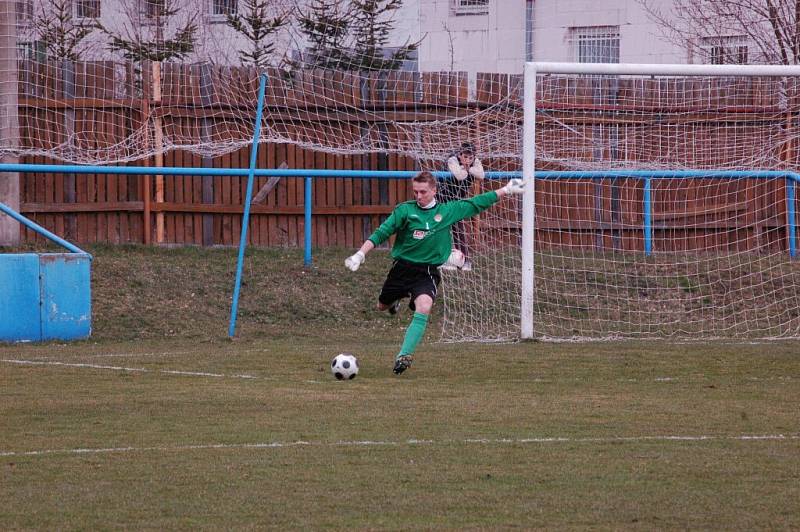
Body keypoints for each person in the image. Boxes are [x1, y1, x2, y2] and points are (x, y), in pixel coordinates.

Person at [344, 170, 525, 375]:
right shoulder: (405, 211)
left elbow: (476, 203)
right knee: (381, 306)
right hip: (402, 269)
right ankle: (396, 299)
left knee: (424, 307)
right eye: (415, 192)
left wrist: (507, 189)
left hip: (427, 272)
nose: (419, 196)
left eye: (423, 192)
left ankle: (404, 355)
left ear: (434, 190)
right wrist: (360, 254)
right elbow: (382, 232)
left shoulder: (447, 211)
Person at [439, 142, 485, 271]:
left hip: (457, 200)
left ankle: (464, 262)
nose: (468, 159)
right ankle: (442, 259)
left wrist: (467, 167)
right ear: (460, 154)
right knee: (440, 227)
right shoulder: (452, 159)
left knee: (458, 229)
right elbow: (460, 176)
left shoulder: (475, 161)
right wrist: (468, 169)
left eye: (471, 157)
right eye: (465, 156)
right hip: (442, 197)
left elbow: (481, 175)